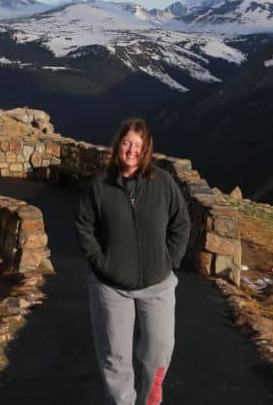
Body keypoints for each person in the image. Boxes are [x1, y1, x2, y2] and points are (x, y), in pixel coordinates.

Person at [74, 117, 191, 405]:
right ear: (118, 145)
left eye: (138, 145)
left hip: (158, 285)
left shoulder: (162, 183)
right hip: (111, 287)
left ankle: (150, 401)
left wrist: (169, 260)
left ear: (147, 149)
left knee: (159, 350)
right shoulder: (100, 186)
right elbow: (84, 227)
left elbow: (181, 224)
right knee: (115, 357)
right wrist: (101, 263)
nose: (131, 150)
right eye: (127, 142)